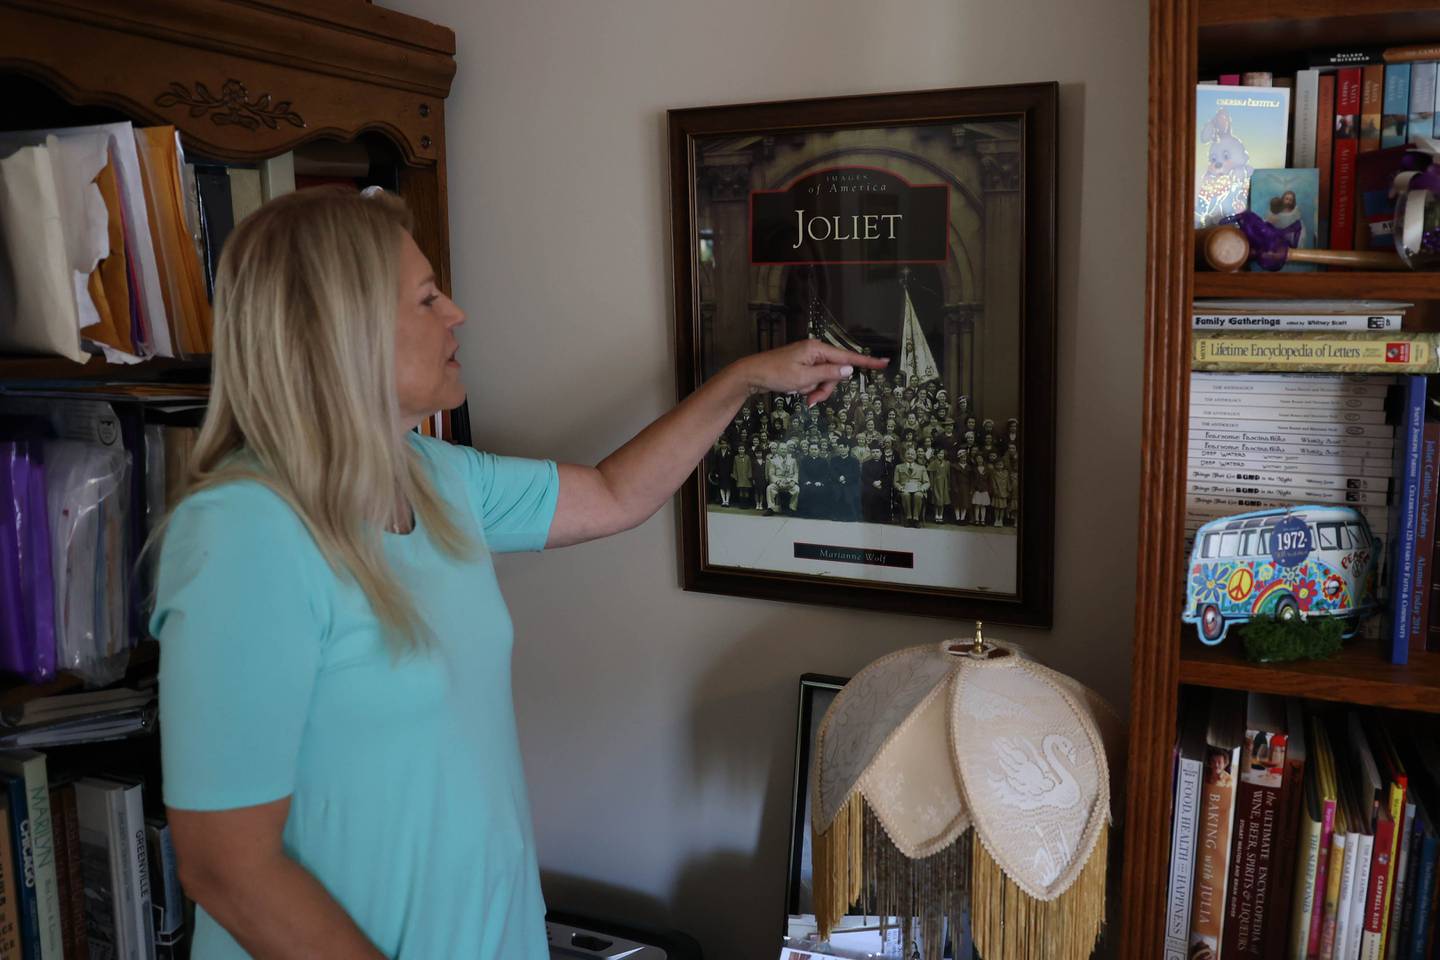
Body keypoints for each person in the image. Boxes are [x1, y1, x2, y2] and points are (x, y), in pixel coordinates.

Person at [149, 188, 885, 960]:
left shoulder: (436, 478)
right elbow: (227, 867)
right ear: (342, 329)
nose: (457, 313)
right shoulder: (242, 532)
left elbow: (613, 494)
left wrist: (744, 380)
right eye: (428, 297)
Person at [893, 445, 930, 528]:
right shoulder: (898, 467)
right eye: (908, 454)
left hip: (918, 489)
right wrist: (900, 488)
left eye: (912, 454)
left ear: (915, 456)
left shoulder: (921, 467)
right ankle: (908, 518)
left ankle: (916, 519)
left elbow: (927, 482)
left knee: (918, 495)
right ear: (905, 455)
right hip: (904, 489)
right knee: (906, 494)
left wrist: (922, 488)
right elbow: (896, 482)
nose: (910, 456)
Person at [829, 439, 861, 522]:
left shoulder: (854, 461)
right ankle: (836, 515)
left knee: (848, 492)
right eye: (840, 447)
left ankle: (849, 516)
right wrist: (839, 478)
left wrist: (845, 478)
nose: (842, 449)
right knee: (836, 490)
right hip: (836, 482)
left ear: (848, 448)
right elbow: (832, 472)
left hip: (850, 483)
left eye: (844, 447)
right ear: (838, 449)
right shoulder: (834, 460)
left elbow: (856, 474)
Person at [766, 439, 801, 515]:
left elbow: (796, 472)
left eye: (785, 449)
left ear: (787, 450)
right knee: (769, 488)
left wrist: (793, 481)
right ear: (778, 450)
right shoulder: (773, 461)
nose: (783, 450)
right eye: (782, 449)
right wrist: (778, 482)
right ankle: (771, 508)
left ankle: (792, 508)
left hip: (789, 482)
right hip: (779, 482)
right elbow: (771, 474)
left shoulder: (793, 460)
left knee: (797, 489)